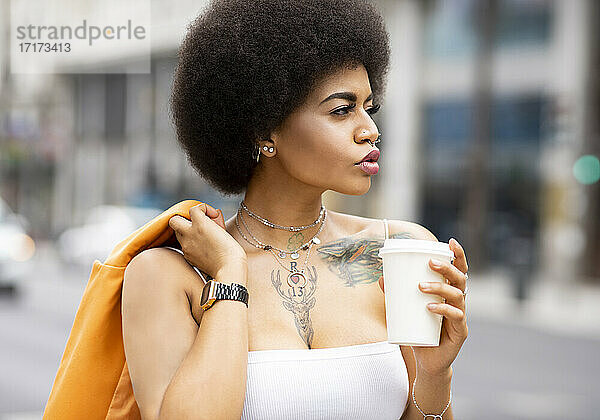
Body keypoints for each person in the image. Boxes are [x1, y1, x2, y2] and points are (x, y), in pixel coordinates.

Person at [121, 0, 469, 419]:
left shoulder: (399, 252)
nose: (370, 130)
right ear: (265, 129)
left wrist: (435, 373)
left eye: (369, 108)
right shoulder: (171, 276)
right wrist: (230, 276)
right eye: (342, 110)